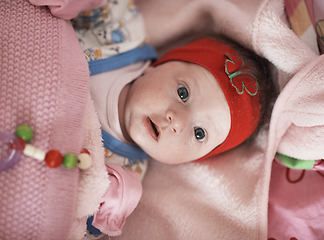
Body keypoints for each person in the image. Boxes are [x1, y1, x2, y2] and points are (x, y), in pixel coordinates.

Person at [71, 1, 275, 239]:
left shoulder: (122, 173)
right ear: (159, 66)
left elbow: (68, 224)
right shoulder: (120, 39)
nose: (176, 121)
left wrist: (98, 210)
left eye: (199, 133)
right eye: (183, 93)